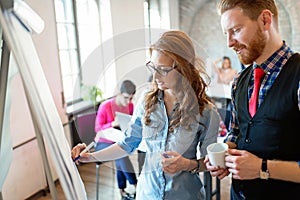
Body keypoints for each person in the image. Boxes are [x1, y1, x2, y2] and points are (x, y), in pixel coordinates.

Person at [72, 30, 220, 200]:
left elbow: (210, 163)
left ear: (184, 68)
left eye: (163, 70)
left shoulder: (206, 112)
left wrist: (188, 164)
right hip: (147, 194)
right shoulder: (146, 101)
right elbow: (127, 144)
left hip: (184, 195)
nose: (155, 76)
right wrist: (90, 157)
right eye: (153, 67)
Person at [205, 0, 300, 199]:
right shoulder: (239, 80)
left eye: (236, 30)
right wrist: (225, 154)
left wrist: (262, 168)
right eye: (226, 34)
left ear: (265, 21)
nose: (229, 43)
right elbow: (236, 131)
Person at [94, 80, 137, 200]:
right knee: (119, 153)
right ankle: (136, 185)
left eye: (131, 98)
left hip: (118, 141)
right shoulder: (105, 106)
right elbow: (98, 129)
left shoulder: (130, 106)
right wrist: (113, 123)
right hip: (102, 143)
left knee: (119, 152)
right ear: (118, 93)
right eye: (126, 98)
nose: (128, 102)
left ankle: (122, 191)